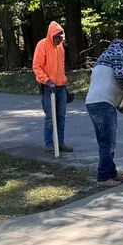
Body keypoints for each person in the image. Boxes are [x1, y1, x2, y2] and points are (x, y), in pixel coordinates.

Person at [85, 39, 123, 182]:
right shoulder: (118, 52)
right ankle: (104, 176)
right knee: (108, 141)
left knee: (104, 140)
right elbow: (120, 75)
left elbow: (109, 87)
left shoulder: (102, 58)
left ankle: (111, 172)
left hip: (92, 102)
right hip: (103, 103)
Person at [32, 21, 73, 153]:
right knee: (50, 117)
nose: (59, 40)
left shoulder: (61, 47)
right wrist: (46, 80)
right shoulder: (42, 45)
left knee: (61, 116)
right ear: (52, 35)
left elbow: (61, 67)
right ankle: (49, 144)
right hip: (48, 87)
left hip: (60, 87)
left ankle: (60, 143)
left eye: (61, 38)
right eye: (57, 38)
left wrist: (64, 82)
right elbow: (36, 66)